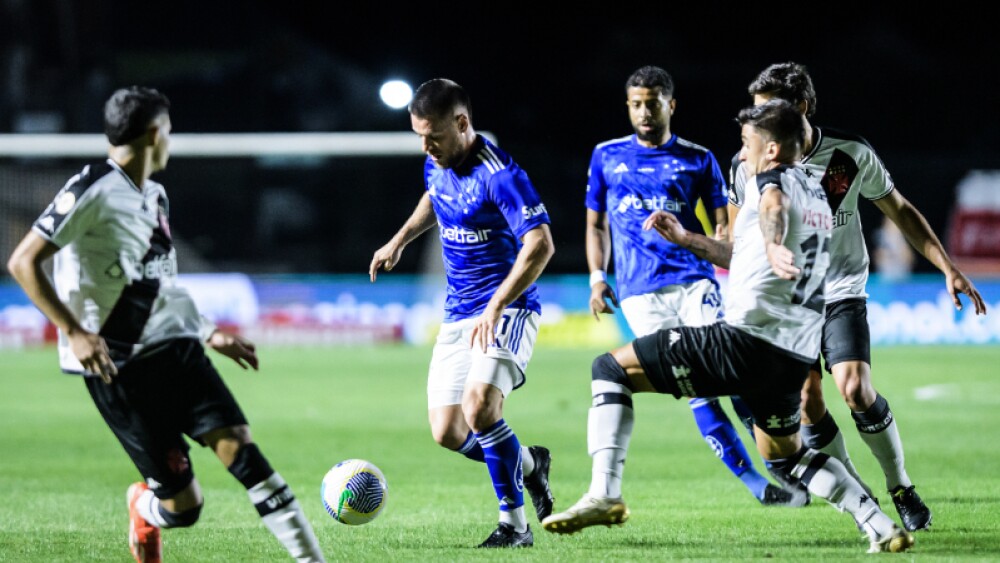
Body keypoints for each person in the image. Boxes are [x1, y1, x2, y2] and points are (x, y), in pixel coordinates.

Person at [543, 99, 915, 554]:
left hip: (744, 341)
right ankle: (877, 523)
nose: (741, 152)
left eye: (747, 142)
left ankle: (604, 492)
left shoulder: (771, 182)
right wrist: (687, 239)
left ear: (773, 148)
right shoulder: (819, 194)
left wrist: (775, 244)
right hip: (790, 358)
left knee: (610, 369)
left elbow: (773, 209)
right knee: (787, 453)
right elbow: (742, 254)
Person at [5, 86, 326, 563]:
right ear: (156, 133)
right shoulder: (92, 187)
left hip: (176, 349)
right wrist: (73, 331)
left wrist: (207, 331)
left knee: (242, 452)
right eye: (170, 130)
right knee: (184, 506)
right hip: (117, 367)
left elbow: (161, 282)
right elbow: (23, 262)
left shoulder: (154, 194)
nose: (172, 140)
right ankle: (143, 506)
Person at [728, 62, 988, 532]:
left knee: (855, 388)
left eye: (765, 111)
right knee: (808, 401)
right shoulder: (746, 163)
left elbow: (901, 209)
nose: (754, 121)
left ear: (800, 109)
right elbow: (734, 239)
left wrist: (947, 267)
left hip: (841, 287)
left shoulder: (848, 154)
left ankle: (901, 486)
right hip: (788, 300)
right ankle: (857, 492)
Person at [585, 65, 803, 507]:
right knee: (695, 388)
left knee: (733, 372)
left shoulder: (698, 158)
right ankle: (758, 485)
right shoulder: (606, 156)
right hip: (640, 293)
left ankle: (783, 463)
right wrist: (596, 277)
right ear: (628, 107)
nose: (645, 112)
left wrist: (727, 252)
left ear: (671, 104)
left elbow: (724, 223)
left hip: (694, 283)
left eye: (653, 103)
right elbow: (595, 224)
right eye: (636, 104)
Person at [369, 78, 556, 549]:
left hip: (507, 309)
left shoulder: (501, 175)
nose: (426, 146)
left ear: (463, 123)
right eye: (419, 136)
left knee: (479, 408)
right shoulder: (437, 160)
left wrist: (497, 303)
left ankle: (514, 527)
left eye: (433, 136)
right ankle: (530, 464)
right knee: (447, 431)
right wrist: (399, 240)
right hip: (458, 314)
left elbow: (541, 243)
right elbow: (436, 196)